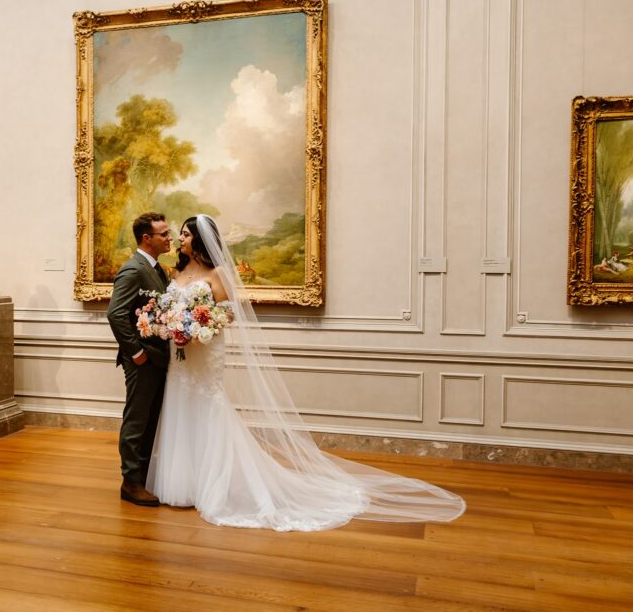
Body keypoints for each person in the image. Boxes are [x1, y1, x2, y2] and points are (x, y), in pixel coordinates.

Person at [146, 214, 465, 531]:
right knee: (181, 407)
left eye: (186, 234)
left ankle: (217, 485)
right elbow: (170, 307)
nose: (181, 239)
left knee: (208, 407)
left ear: (201, 240)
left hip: (206, 350)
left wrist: (202, 323)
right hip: (181, 353)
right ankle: (183, 485)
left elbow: (230, 313)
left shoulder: (219, 273)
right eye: (181, 235)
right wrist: (171, 324)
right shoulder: (178, 270)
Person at [106, 212, 172, 506]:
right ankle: (130, 482)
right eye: (164, 234)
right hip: (142, 361)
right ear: (147, 238)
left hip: (159, 358)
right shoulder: (132, 270)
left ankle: (142, 477)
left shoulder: (159, 271)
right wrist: (137, 352)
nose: (170, 238)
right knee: (136, 420)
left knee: (150, 421)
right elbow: (116, 314)